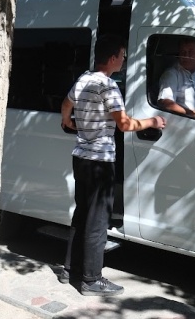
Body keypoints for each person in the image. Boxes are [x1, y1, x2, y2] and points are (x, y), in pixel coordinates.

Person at [59, 34, 166, 296]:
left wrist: (69, 122)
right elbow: (125, 124)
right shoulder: (108, 86)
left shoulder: (84, 79)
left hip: (81, 158)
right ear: (112, 58)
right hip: (100, 162)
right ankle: (91, 280)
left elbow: (66, 105)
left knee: (82, 213)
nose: (124, 59)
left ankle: (69, 269)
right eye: (122, 55)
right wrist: (152, 122)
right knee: (97, 221)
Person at [157, 37, 195, 119]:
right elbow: (166, 102)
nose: (186, 56)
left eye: (190, 52)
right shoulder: (172, 74)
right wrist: (193, 114)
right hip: (187, 120)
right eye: (183, 52)